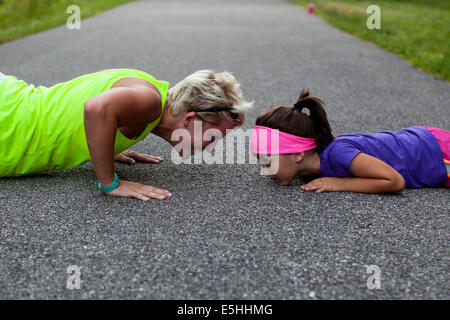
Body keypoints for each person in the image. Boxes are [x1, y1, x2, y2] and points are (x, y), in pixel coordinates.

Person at [0, 68, 252, 201]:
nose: (210, 148)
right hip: (9, 123)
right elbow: (96, 108)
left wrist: (105, 144)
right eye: (214, 138)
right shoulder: (150, 101)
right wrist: (110, 183)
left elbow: (84, 105)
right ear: (191, 119)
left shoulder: (150, 94)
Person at [251, 89, 449, 193]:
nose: (265, 168)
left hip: (436, 153)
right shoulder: (311, 165)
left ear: (298, 153)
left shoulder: (338, 154)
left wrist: (341, 184)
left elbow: (394, 181)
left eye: (269, 160)